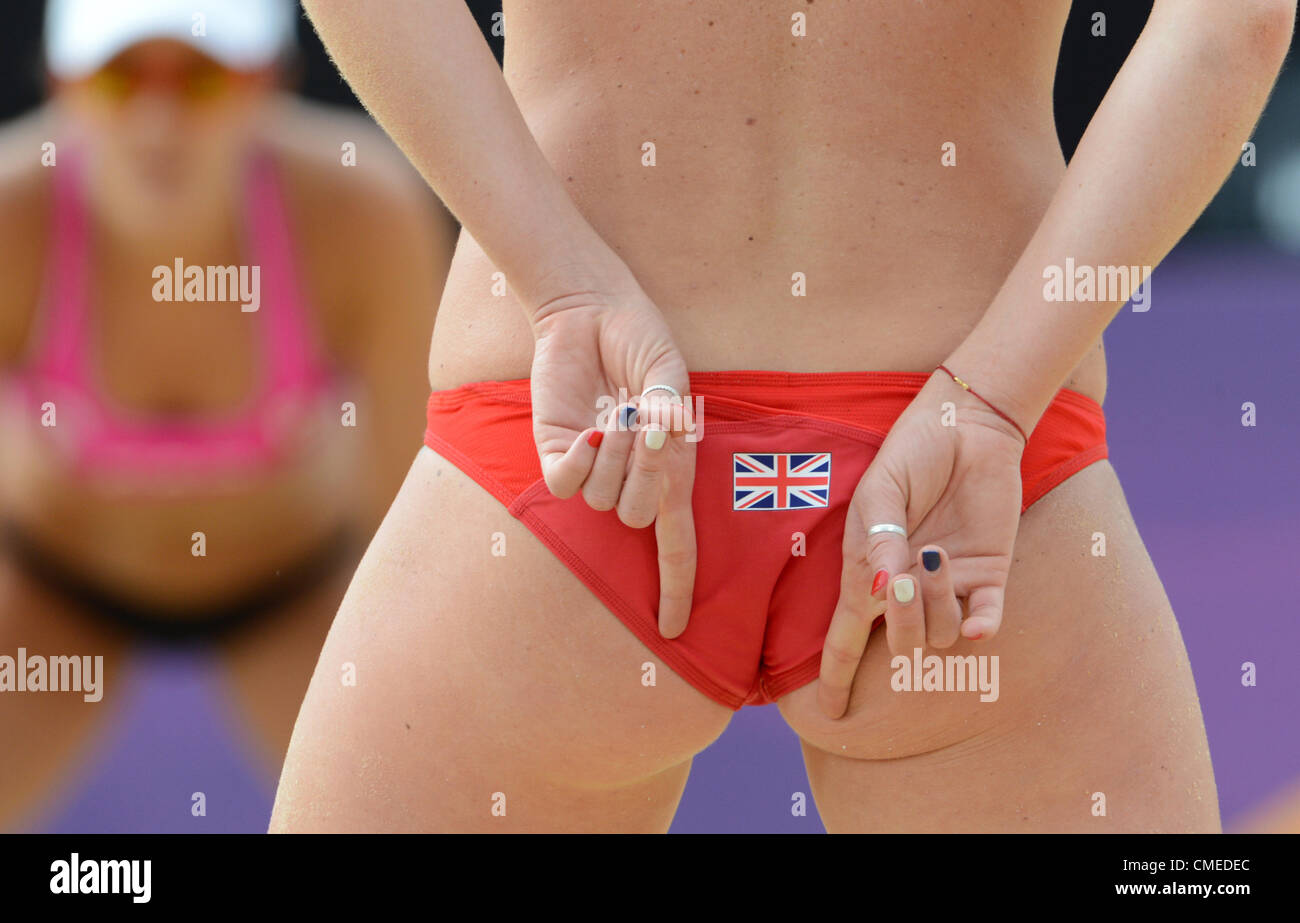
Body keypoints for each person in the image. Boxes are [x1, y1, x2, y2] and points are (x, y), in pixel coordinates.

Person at [271, 0, 1295, 832]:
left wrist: (563, 285)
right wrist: (992, 397)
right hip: (964, 451)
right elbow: (1230, 26)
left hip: (591, 422)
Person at [0, 0, 456, 831]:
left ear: (267, 81)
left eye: (201, 77)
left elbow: (422, 498)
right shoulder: (9, 216)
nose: (159, 116)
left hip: (293, 586)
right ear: (62, 82)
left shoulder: (365, 214)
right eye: (120, 76)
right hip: (55, 587)